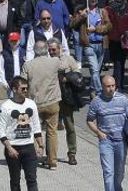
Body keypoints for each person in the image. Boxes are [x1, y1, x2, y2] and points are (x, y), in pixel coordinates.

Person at [87, 75, 128, 191]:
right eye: (108, 86)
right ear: (103, 87)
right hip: (106, 141)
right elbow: (89, 120)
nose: (111, 88)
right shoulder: (96, 102)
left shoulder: (123, 99)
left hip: (121, 141)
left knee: (119, 171)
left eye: (113, 86)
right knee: (108, 172)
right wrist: (98, 132)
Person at [0, 76, 44, 191]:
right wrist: (9, 148)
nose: (26, 91)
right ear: (14, 89)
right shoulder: (6, 107)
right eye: (23, 89)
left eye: (27, 88)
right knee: (15, 181)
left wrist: (40, 145)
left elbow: (36, 125)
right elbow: (0, 129)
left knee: (32, 179)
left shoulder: (31, 104)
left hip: (29, 147)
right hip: (13, 148)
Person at [21, 40, 62, 170]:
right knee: (52, 132)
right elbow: (66, 65)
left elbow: (22, 83)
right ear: (47, 50)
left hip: (34, 103)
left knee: (33, 131)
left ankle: (32, 159)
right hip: (52, 102)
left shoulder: (28, 65)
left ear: (34, 51)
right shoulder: (55, 62)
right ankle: (52, 161)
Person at [47, 37, 82, 166]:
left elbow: (78, 74)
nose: (51, 52)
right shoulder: (46, 61)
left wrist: (67, 78)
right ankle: (50, 155)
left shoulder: (68, 59)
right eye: (49, 50)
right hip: (51, 98)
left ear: (60, 48)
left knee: (70, 126)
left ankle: (72, 153)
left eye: (54, 49)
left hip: (66, 97)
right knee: (50, 128)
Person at [105, 0, 128, 91]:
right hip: (114, 40)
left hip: (125, 40)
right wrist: (117, 34)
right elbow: (109, 24)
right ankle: (118, 85)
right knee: (117, 62)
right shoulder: (109, 8)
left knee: (121, 62)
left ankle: (119, 83)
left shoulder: (127, 7)